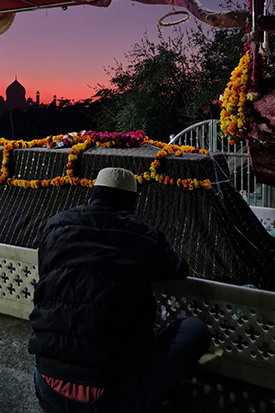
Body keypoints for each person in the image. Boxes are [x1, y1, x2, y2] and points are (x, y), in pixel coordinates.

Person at [29, 167, 211, 413]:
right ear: (132, 204)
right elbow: (177, 268)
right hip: (108, 400)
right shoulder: (144, 236)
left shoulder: (55, 226)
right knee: (194, 330)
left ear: (91, 197)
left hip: (47, 387)